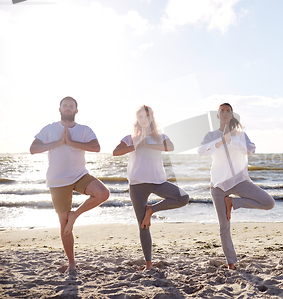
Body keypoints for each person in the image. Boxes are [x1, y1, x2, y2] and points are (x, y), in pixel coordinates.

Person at [29, 96, 110, 273]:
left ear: (76, 110)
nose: (67, 108)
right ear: (59, 109)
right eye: (64, 106)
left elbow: (96, 147)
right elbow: (33, 149)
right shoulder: (49, 129)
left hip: (79, 175)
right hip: (58, 181)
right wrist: (58, 142)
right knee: (64, 225)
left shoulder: (84, 130)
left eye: (71, 106)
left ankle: (75, 215)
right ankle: (72, 263)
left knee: (103, 193)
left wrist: (71, 142)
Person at [197, 103, 275, 270]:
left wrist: (231, 141)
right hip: (218, 185)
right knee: (224, 226)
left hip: (240, 181)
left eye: (228, 111)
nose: (225, 113)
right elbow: (201, 151)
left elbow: (251, 149)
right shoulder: (211, 135)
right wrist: (219, 142)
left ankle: (233, 203)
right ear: (217, 115)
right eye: (222, 111)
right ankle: (231, 263)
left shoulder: (240, 135)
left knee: (268, 202)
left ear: (232, 115)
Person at [113, 105, 189, 271]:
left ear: (151, 119)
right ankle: (149, 264)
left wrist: (149, 144)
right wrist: (137, 146)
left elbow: (171, 147)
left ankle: (151, 210)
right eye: (140, 117)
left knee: (183, 198)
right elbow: (116, 152)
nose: (143, 119)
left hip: (158, 181)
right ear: (137, 120)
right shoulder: (130, 138)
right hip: (137, 185)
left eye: (146, 116)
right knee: (143, 225)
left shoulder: (161, 136)